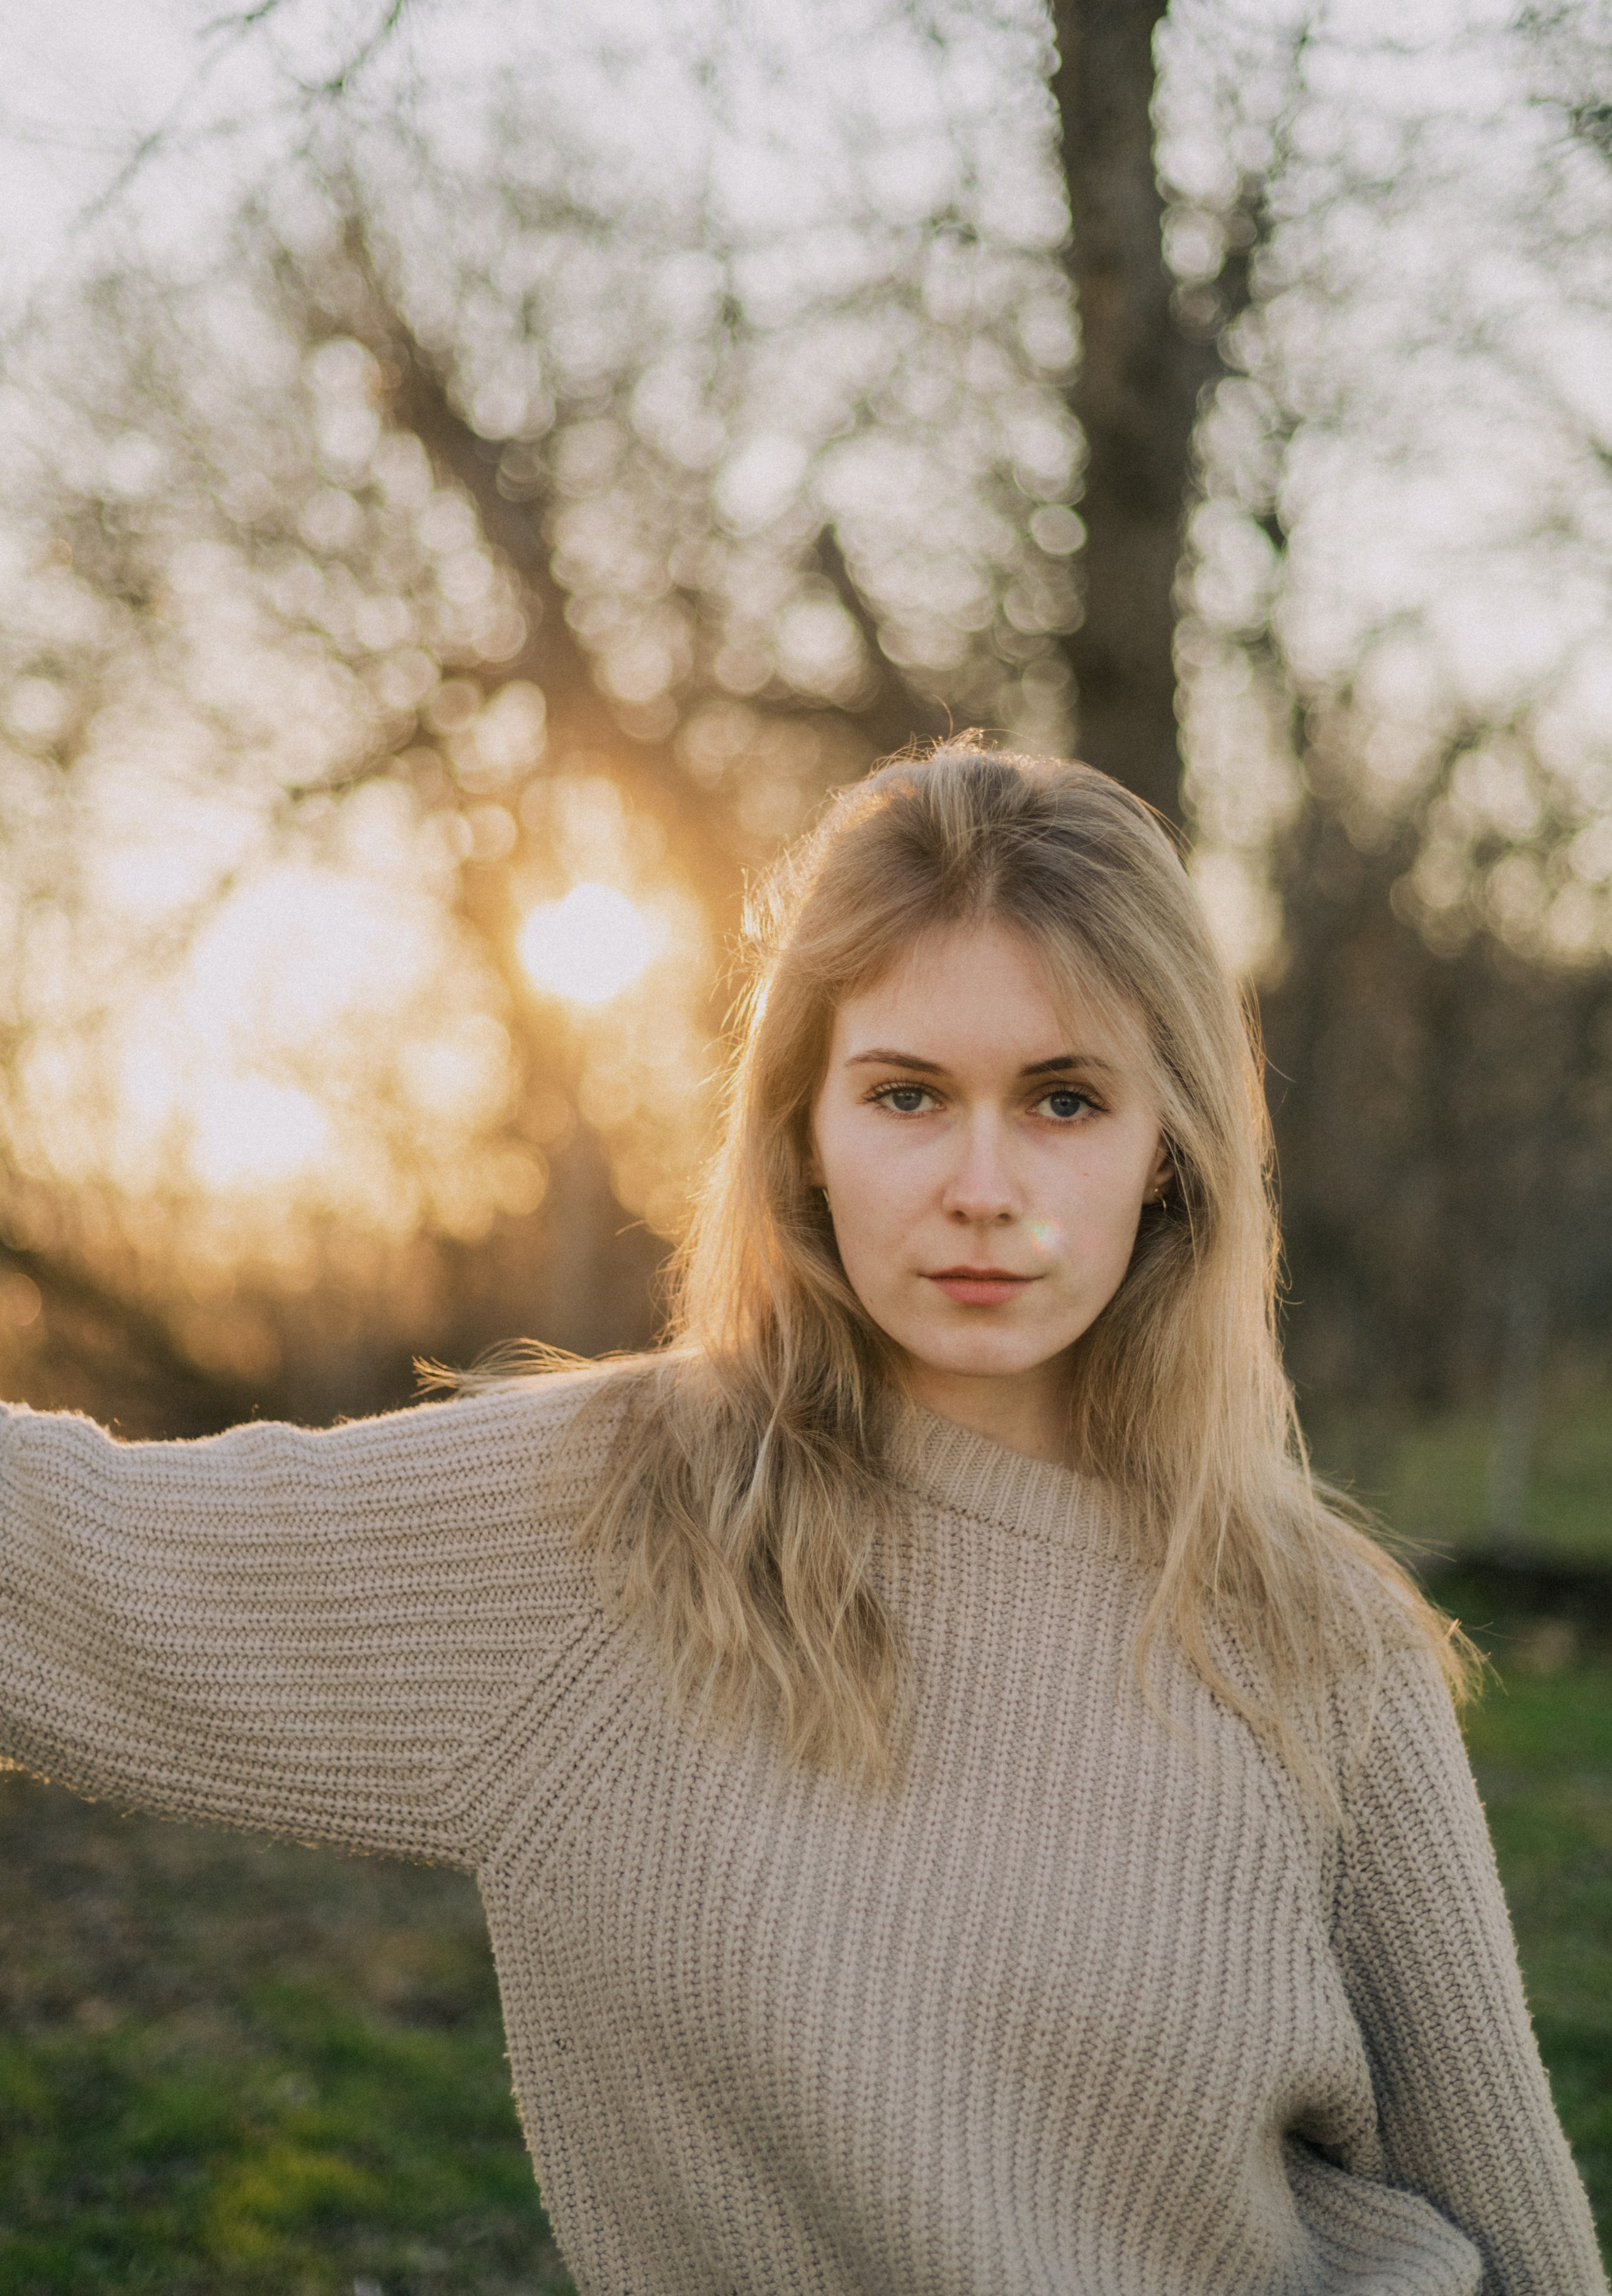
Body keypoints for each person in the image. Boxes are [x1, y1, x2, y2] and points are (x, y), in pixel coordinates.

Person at [0, 742, 1601, 2296]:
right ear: (802, 1137)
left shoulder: (1313, 1633)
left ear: (1168, 1154)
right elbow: (69, 1554)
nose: (983, 1186)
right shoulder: (610, 1522)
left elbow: (1502, 2204)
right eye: (907, 1095)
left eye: (1063, 1101)